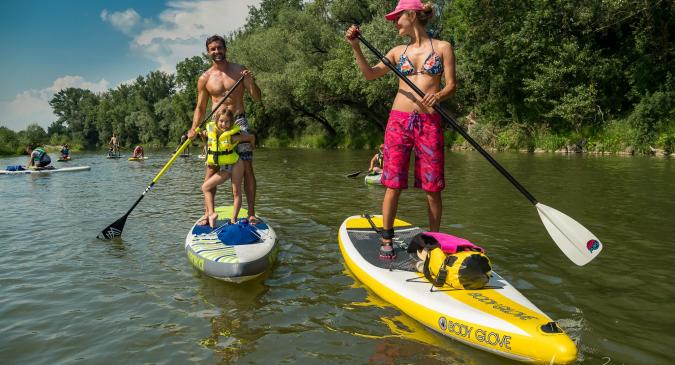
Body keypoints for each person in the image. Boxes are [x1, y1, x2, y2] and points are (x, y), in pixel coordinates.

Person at [346, 0, 456, 260]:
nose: (395, 23)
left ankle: (433, 241)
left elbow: (451, 85)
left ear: (411, 14)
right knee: (392, 182)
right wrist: (356, 47)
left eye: (397, 17)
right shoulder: (397, 52)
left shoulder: (443, 47)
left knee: (432, 187)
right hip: (398, 122)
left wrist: (438, 95)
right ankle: (387, 238)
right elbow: (370, 74)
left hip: (429, 123)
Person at [188, 34, 262, 224]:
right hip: (215, 124)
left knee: (246, 167)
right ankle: (207, 213)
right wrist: (193, 128)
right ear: (208, 52)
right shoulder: (204, 78)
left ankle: (251, 212)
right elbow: (200, 107)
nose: (217, 52)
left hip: (238, 121)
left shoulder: (239, 70)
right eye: (213, 49)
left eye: (219, 48)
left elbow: (257, 98)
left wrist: (251, 81)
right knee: (211, 168)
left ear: (225, 49)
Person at [200, 108, 255, 228]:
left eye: (227, 122)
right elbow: (202, 133)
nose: (223, 124)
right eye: (221, 121)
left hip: (236, 164)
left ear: (231, 123)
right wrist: (199, 132)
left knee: (236, 192)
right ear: (216, 121)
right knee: (205, 187)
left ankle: (233, 220)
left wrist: (252, 143)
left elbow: (250, 137)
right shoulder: (211, 132)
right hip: (225, 168)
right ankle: (211, 213)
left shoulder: (232, 136)